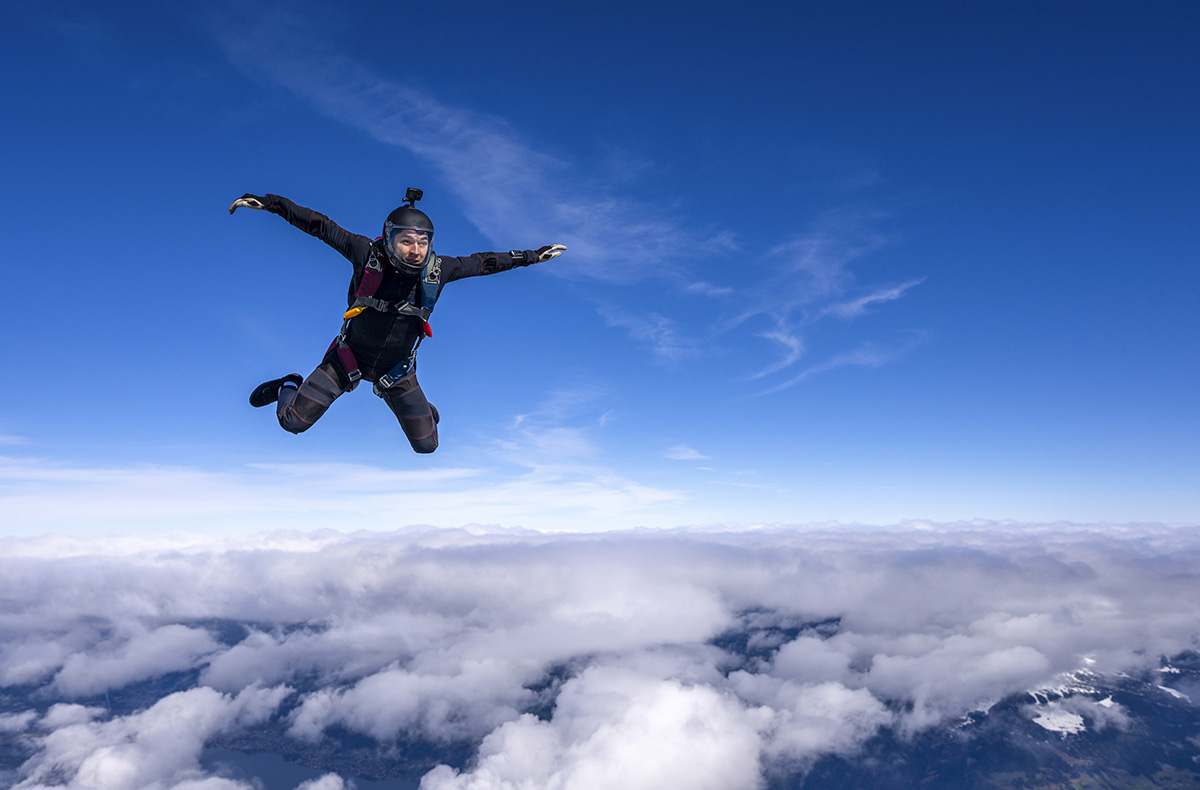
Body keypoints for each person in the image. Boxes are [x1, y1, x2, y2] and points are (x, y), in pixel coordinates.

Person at [229, 190, 565, 454]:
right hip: (347, 360)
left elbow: (485, 262)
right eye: (407, 241)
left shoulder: (438, 270)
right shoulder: (366, 254)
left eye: (423, 242)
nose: (416, 250)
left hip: (397, 371)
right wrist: (270, 203)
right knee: (292, 423)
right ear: (389, 239)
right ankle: (289, 384)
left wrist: (532, 256)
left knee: (427, 446)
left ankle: (424, 410)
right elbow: (320, 225)